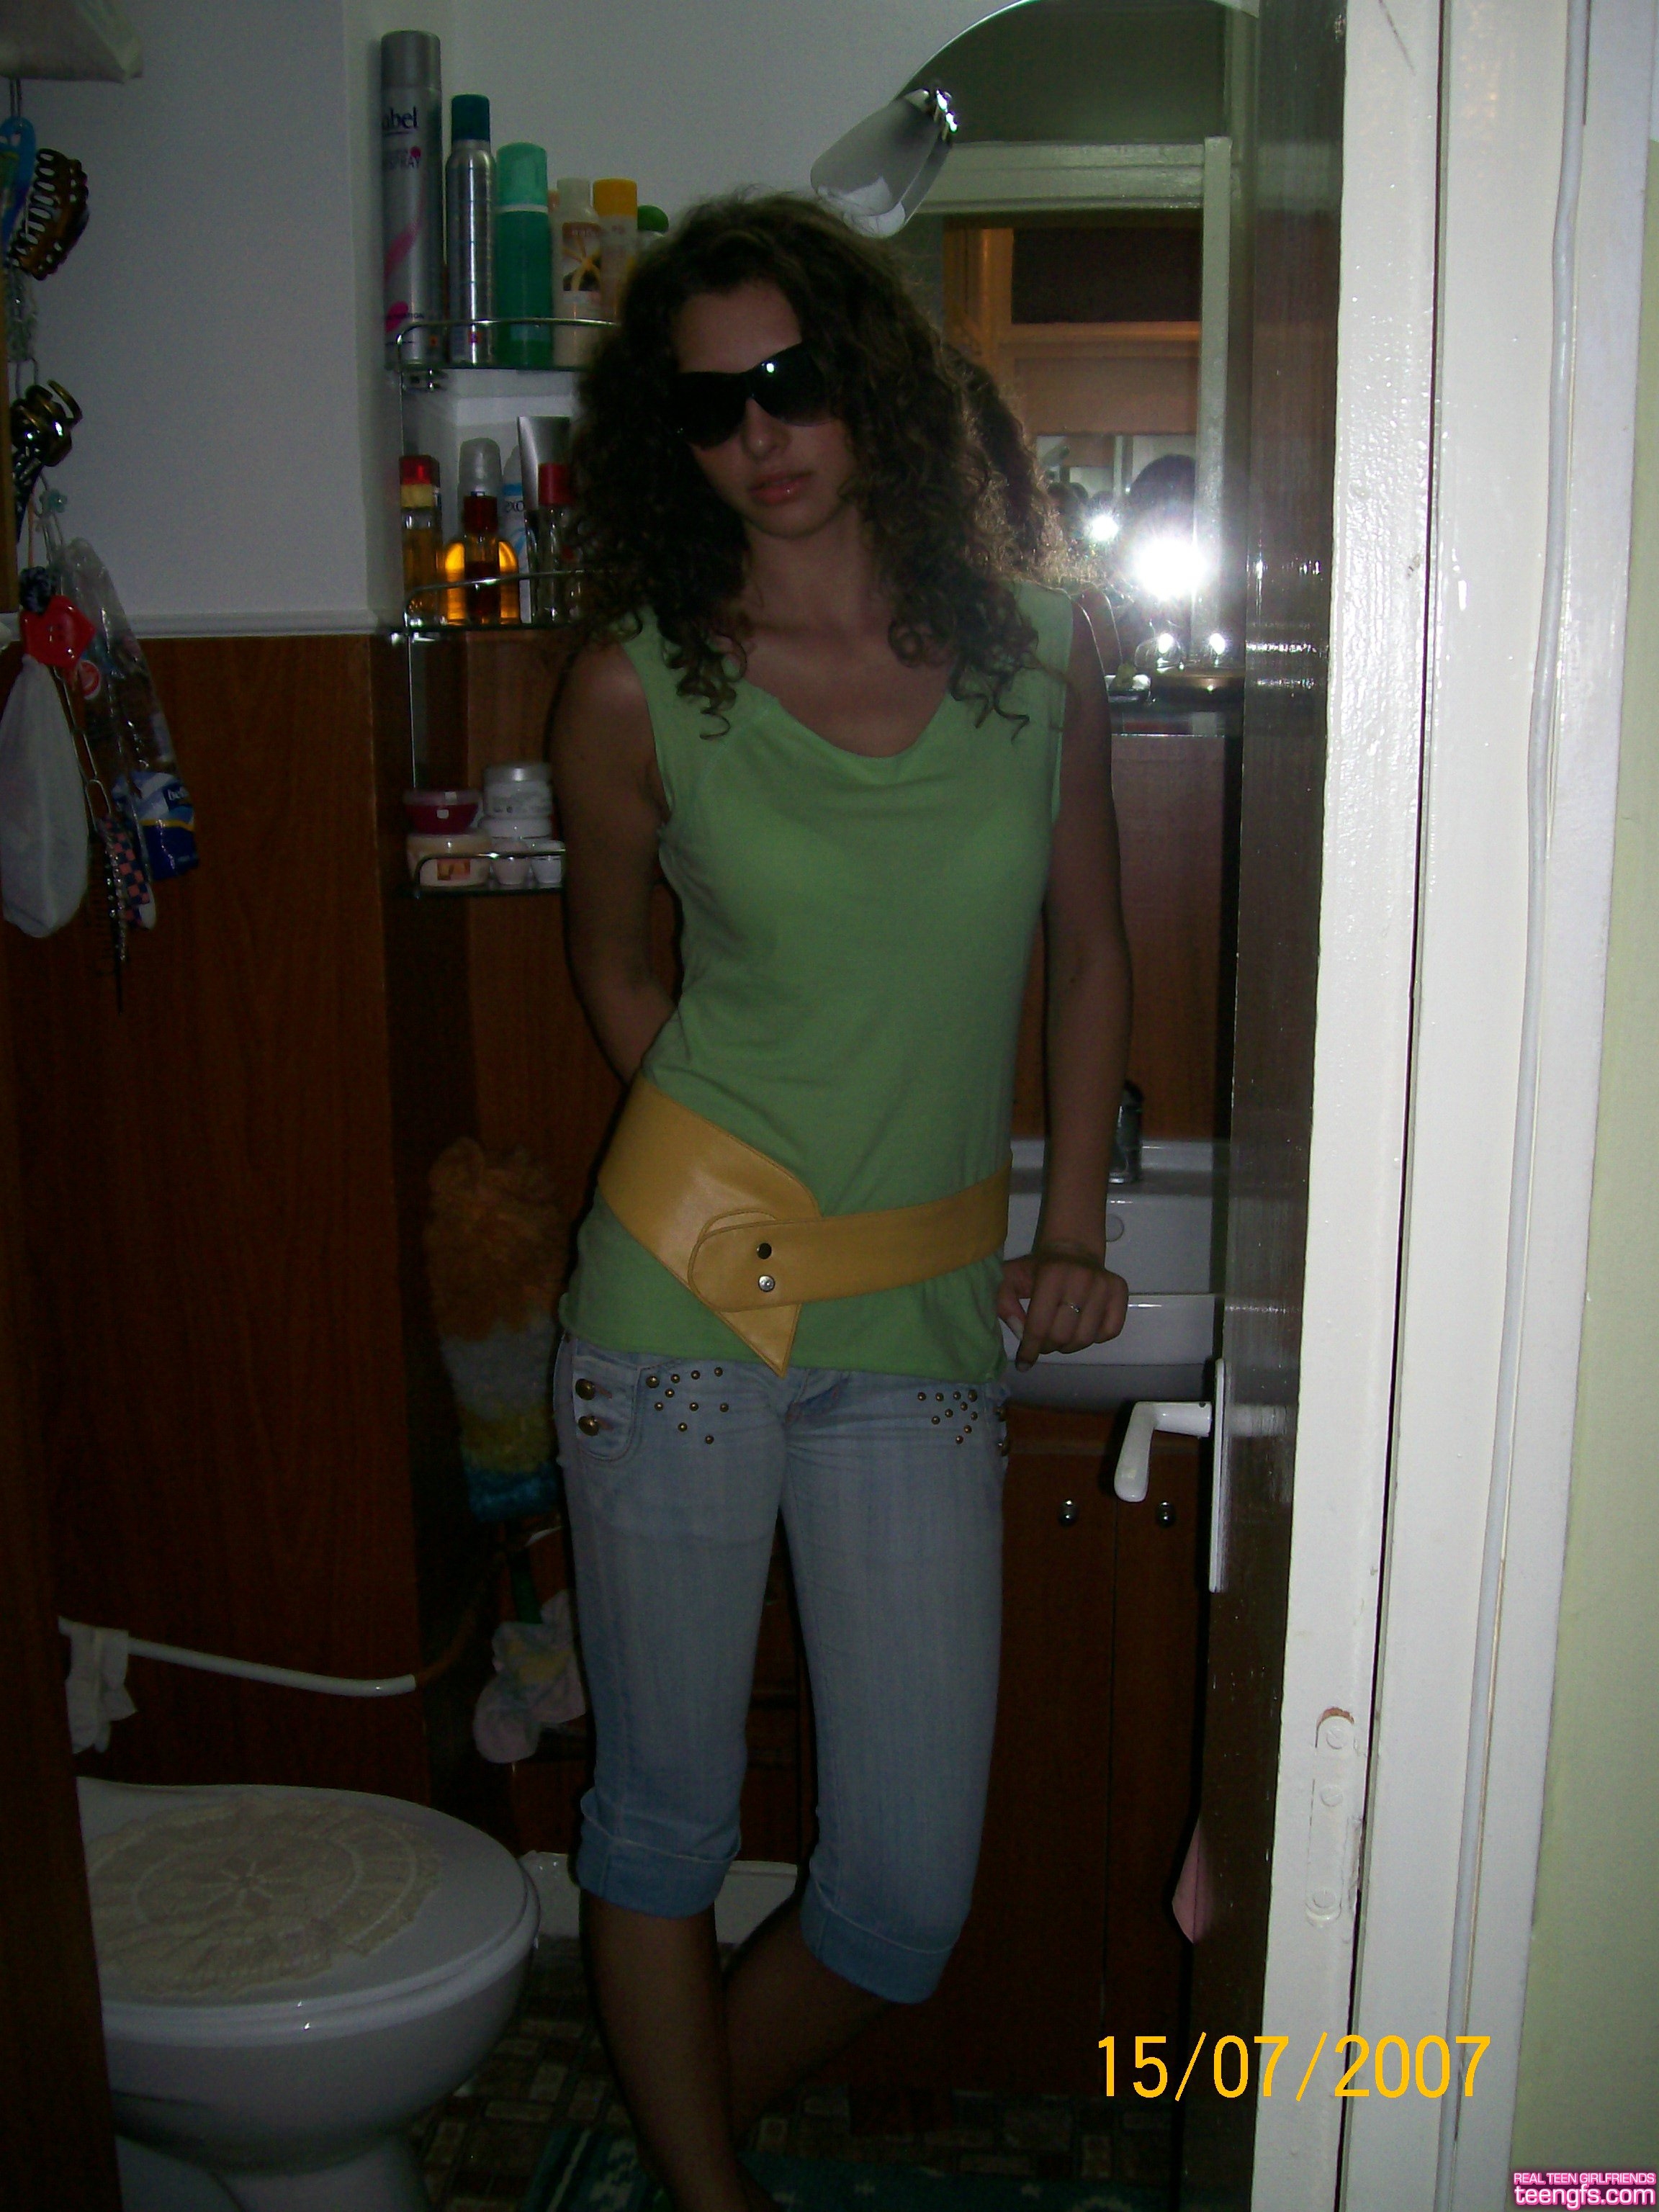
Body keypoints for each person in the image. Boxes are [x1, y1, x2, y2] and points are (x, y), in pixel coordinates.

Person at [549, 194, 1132, 2212]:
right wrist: (730, 1177)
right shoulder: (638, 686)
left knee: (900, 1897)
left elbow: (1092, 955)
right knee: (662, 1827)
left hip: (926, 1317)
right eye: (710, 408)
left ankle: (663, 2144)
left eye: (790, 382)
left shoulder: (1040, 654)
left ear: (868, 379)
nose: (762, 436)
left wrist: (1075, 1225)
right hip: (679, 1303)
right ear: (672, 442)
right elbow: (616, 971)